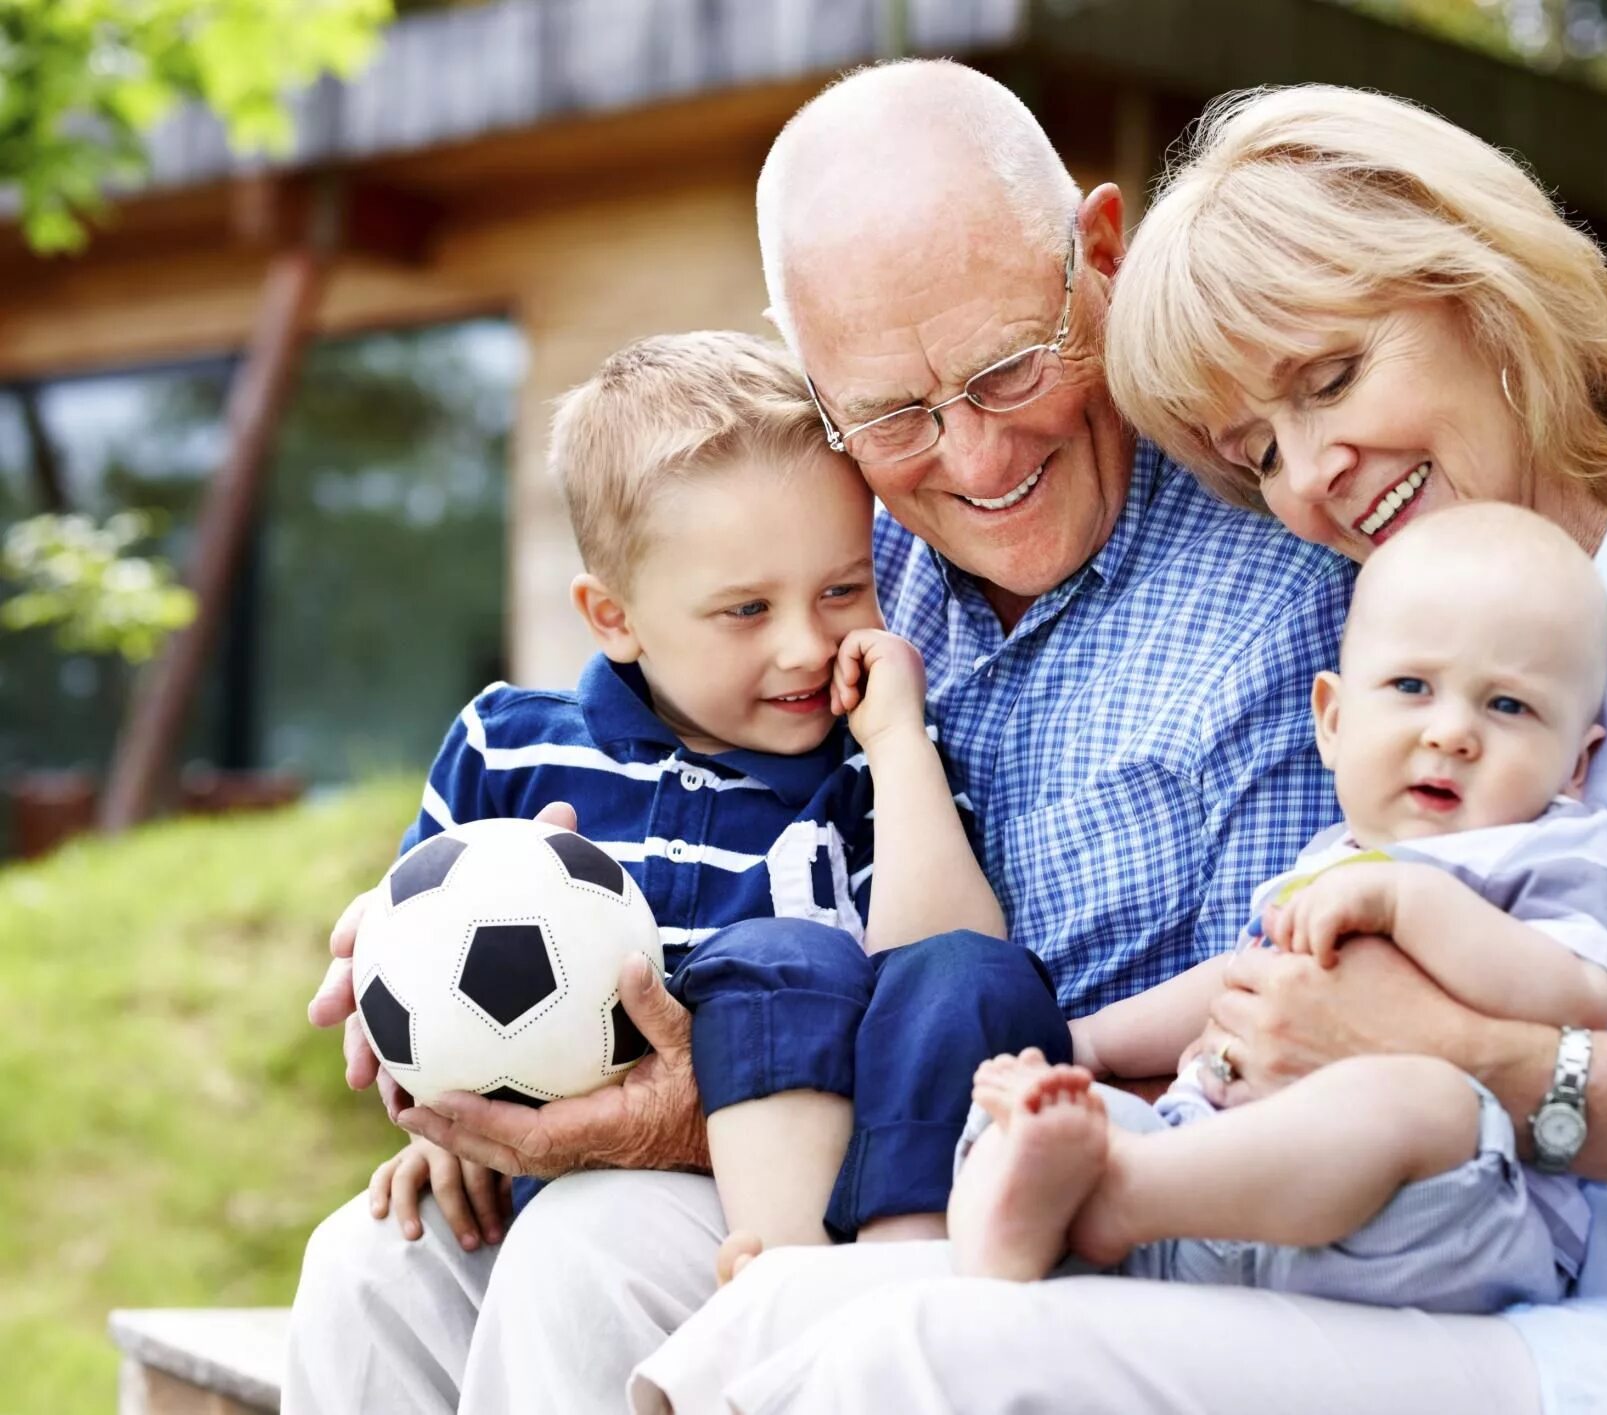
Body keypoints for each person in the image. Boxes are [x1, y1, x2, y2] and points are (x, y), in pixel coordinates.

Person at [647, 84, 1607, 1415]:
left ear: (1476, 282)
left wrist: (1479, 1056)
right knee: (771, 1315)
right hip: (1482, 1295)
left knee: (925, 1350)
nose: (1310, 475)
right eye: (1254, 449)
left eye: (1328, 378)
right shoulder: (1403, 646)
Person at [293, 61, 1353, 1415]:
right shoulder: (824, 554)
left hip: (1056, 1213)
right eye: (895, 413)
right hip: (775, 1150)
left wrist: (733, 1114)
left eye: (1007, 368)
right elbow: (630, 776)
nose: (970, 460)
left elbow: (1254, 1061)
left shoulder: (1278, 597)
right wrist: (449, 948)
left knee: (588, 1250)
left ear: (1100, 256)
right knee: (375, 1259)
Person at [284, 330, 1070, 1411]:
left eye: (843, 589)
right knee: (367, 1256)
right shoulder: (511, 748)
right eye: (746, 609)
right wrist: (446, 1120)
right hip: (531, 1178)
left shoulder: (865, 776)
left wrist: (898, 748)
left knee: (585, 1241)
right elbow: (414, 974)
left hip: (773, 1196)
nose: (803, 644)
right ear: (614, 617)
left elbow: (943, 963)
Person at [951, 502, 1607, 1315]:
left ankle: (1118, 1198)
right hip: (1216, 1189)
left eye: (1509, 706)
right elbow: (1235, 977)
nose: (1452, 732)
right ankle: (1008, 1235)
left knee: (1423, 1101)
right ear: (1334, 720)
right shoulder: (1327, 856)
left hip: (1433, 1223)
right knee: (1046, 1112)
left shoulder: (1549, 846)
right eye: (1413, 686)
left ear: (1575, 764)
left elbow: (1583, 999)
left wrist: (1410, 900)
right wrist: (1088, 1041)